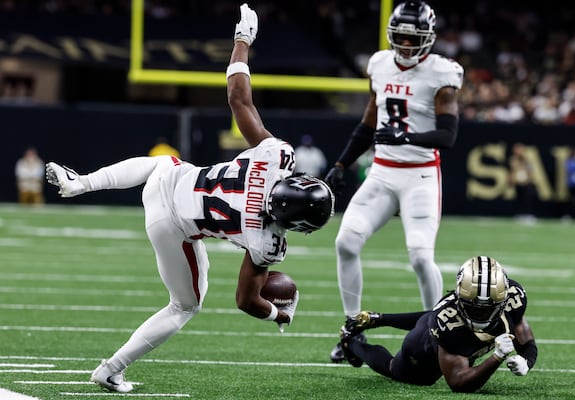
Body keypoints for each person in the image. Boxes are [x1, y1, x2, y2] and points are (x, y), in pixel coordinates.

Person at [45, 3, 334, 393]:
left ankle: (81, 184)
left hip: (169, 178)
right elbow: (246, 300)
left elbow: (238, 98)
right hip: (172, 227)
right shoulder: (267, 242)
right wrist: (276, 315)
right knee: (185, 306)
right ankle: (111, 368)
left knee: (163, 161)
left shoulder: (275, 155)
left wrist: (243, 40)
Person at [323, 0, 464, 362]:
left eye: (411, 37)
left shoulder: (441, 73)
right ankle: (350, 330)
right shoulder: (380, 64)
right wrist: (341, 164)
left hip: (419, 175)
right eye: (399, 35)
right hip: (382, 172)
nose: (404, 43)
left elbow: (447, 136)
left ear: (428, 39)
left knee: (420, 256)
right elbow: (368, 123)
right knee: (345, 243)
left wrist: (408, 139)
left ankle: (439, 338)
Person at [338, 256, 538, 393]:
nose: (480, 313)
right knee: (396, 369)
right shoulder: (447, 322)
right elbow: (458, 382)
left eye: (487, 308)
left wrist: (526, 361)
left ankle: (378, 319)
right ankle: (351, 343)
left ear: (504, 300)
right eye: (474, 307)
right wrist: (497, 357)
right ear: (459, 298)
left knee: (430, 319)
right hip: (423, 349)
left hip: (437, 324)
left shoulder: (514, 299)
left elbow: (526, 342)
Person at [508, 142, 536, 223]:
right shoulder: (513, 159)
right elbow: (512, 171)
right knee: (519, 199)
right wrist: (511, 179)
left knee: (526, 199)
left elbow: (530, 170)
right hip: (517, 182)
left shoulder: (526, 159)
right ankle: (519, 214)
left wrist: (529, 179)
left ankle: (527, 214)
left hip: (525, 182)